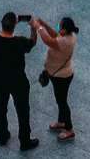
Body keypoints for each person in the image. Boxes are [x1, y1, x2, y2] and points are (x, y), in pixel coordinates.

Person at [0, 12, 41, 150]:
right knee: (23, 111)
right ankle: (25, 141)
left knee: (0, 108)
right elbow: (32, 42)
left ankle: (3, 136)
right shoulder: (19, 42)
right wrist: (33, 28)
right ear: (14, 26)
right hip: (18, 82)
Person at [34, 14, 80, 142]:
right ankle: (61, 122)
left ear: (65, 29)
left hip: (61, 76)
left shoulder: (65, 41)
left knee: (62, 102)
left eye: (60, 26)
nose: (59, 27)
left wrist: (39, 28)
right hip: (60, 74)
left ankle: (69, 129)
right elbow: (55, 35)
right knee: (60, 99)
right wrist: (44, 24)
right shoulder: (69, 35)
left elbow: (48, 40)